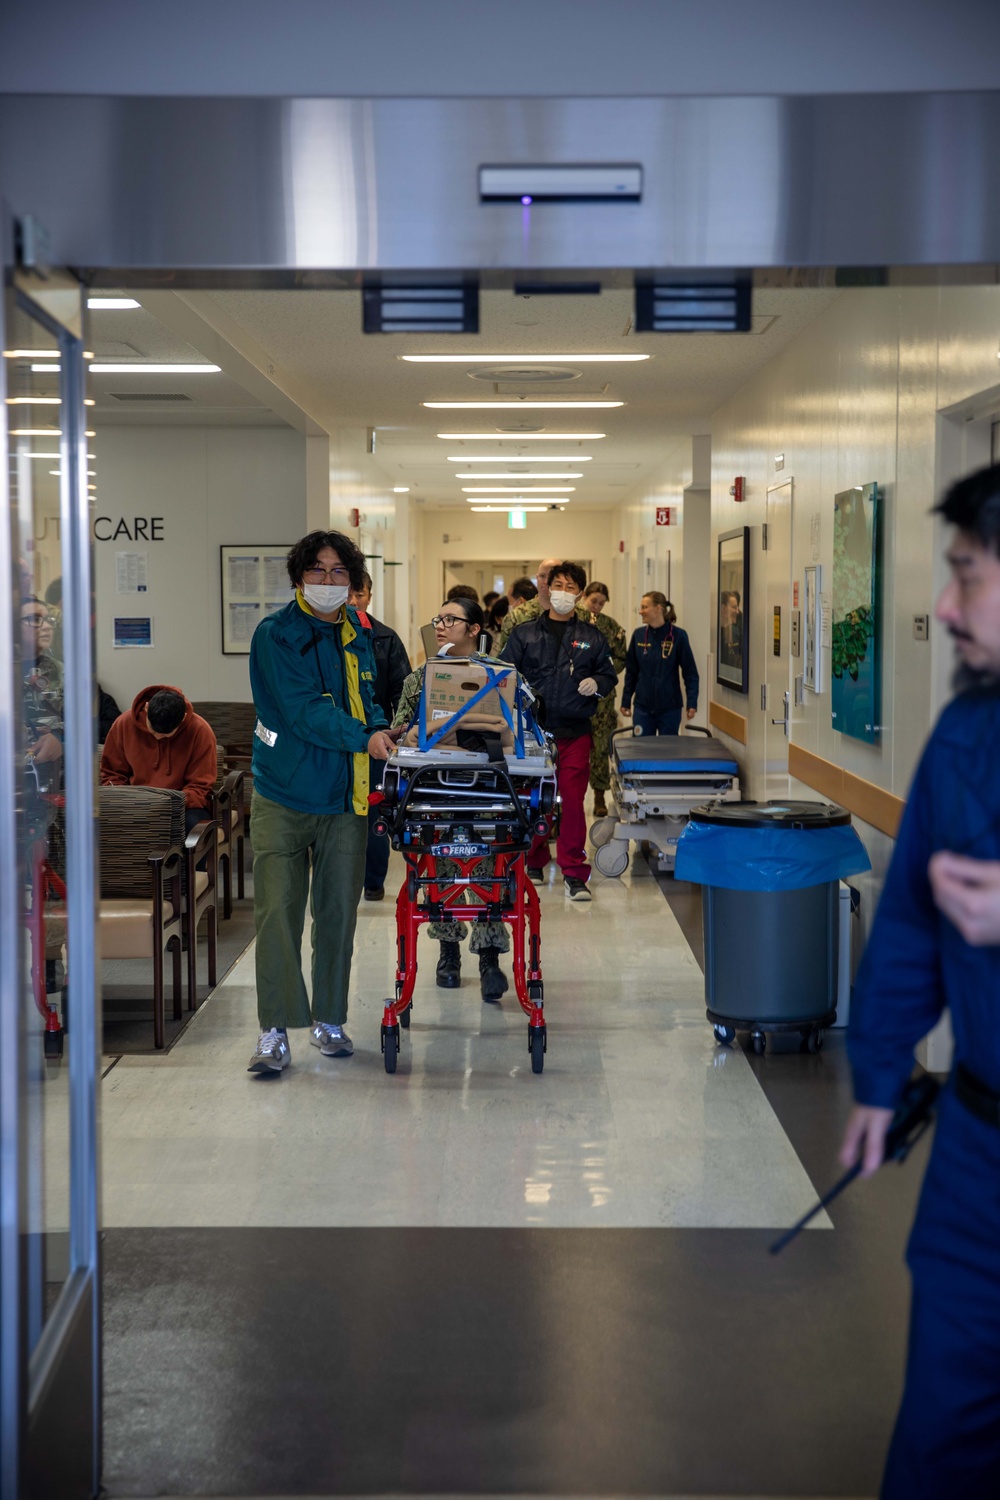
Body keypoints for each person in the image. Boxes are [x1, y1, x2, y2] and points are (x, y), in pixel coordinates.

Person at [839, 463, 1000, 1499]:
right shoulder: (967, 734)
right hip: (980, 1161)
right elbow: (906, 922)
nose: (942, 607)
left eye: (967, 575)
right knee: (943, 1428)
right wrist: (875, 1070)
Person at [246, 530, 396, 1075]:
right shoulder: (275, 635)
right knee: (278, 912)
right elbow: (301, 710)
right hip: (284, 794)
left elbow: (366, 695)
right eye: (318, 570)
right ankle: (274, 1031)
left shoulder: (355, 631)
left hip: (345, 797)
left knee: (337, 912)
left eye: (340, 573)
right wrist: (363, 736)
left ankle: (329, 1018)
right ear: (298, 577)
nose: (329, 582)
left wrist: (380, 726)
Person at [392, 596, 510, 1000]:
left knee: (490, 869)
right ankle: (448, 953)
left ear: (474, 630)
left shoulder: (502, 676)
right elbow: (399, 734)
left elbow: (524, 728)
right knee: (443, 867)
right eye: (437, 618)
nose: (440, 625)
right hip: (435, 788)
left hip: (488, 787)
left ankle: (490, 957)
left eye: (450, 619)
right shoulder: (421, 678)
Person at [501, 561, 616, 901]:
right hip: (533, 734)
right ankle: (534, 859)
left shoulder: (592, 637)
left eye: (571, 587)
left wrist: (597, 683)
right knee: (537, 801)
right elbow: (505, 675)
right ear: (547, 589)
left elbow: (609, 677)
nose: (563, 593)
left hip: (575, 733)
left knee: (573, 801)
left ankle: (574, 872)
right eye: (558, 585)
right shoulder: (524, 634)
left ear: (579, 593)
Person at [349, 569, 412, 901]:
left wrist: (396, 734)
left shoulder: (386, 638)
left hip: (377, 742)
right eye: (348, 593)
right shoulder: (325, 638)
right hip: (338, 743)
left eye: (360, 594)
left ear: (369, 597)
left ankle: (373, 880)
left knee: (375, 812)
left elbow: (404, 694)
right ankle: (343, 878)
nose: (353, 600)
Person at [100, 685, 217, 833]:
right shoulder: (123, 724)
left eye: (167, 735)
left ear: (183, 718)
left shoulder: (200, 731)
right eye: (153, 730)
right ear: (147, 708)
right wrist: (126, 799)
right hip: (132, 801)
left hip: (181, 805)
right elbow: (112, 773)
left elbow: (199, 786)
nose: (158, 737)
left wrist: (168, 803)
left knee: (193, 828)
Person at [621, 592, 699, 736]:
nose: (640, 611)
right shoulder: (638, 635)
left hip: (670, 708)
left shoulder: (678, 636)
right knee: (640, 751)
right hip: (643, 708)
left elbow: (690, 673)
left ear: (658, 608)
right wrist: (626, 701)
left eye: (644, 607)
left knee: (667, 753)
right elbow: (631, 672)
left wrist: (692, 703)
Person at [581, 581, 627, 819]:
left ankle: (600, 795)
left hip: (602, 698)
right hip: (574, 695)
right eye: (593, 601)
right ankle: (566, 803)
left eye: (601, 603)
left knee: (600, 748)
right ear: (584, 597)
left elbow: (621, 657)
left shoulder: (611, 626)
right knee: (574, 749)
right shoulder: (573, 622)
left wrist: (601, 673)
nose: (597, 606)